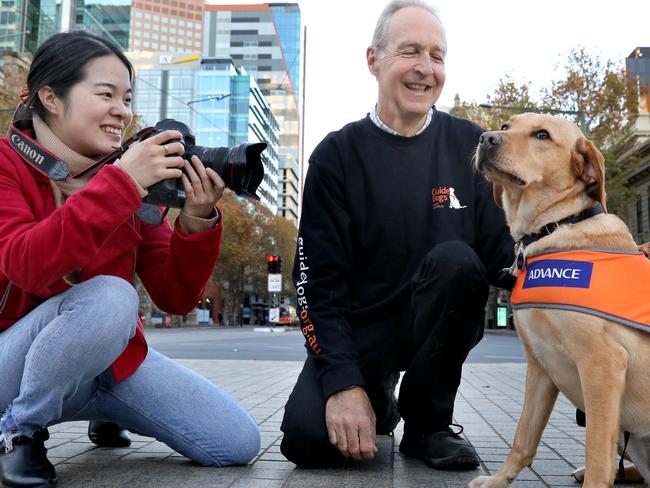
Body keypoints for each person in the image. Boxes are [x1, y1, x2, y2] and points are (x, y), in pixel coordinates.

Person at [0, 31, 260, 488]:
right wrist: (121, 184)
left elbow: (173, 296)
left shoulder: (131, 176)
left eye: (127, 97)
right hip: (12, 365)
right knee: (111, 297)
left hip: (108, 365)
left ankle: (104, 410)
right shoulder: (7, 165)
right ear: (50, 98)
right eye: (106, 94)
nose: (122, 110)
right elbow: (26, 264)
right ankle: (19, 433)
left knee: (236, 442)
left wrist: (197, 220)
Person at [280, 0, 515, 471]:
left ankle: (428, 425)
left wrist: (580, 267)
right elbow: (315, 287)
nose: (425, 69)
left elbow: (503, 256)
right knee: (308, 441)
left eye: (437, 55)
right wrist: (344, 384)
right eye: (410, 52)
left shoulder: (471, 146)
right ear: (374, 60)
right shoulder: (336, 157)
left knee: (457, 261)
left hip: (437, 323)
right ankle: (377, 395)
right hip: (361, 328)